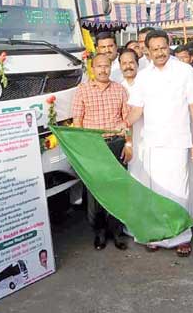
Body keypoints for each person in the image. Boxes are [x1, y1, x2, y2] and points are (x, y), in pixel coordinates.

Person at [127, 29, 193, 257]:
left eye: (163, 47)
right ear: (147, 52)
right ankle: (158, 234)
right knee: (156, 192)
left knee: (178, 191)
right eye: (155, 49)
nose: (160, 53)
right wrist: (122, 124)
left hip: (178, 142)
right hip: (152, 143)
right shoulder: (144, 75)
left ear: (169, 46)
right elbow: (137, 110)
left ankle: (181, 237)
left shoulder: (184, 71)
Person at [71, 53, 132, 251]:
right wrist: (82, 151)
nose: (103, 70)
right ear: (92, 68)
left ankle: (116, 231)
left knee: (117, 189)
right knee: (95, 192)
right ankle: (99, 232)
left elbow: (127, 120)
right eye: (99, 66)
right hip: (93, 146)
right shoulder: (82, 91)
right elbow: (77, 123)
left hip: (116, 144)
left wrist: (128, 143)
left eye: (107, 66)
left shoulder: (120, 90)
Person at [119, 48, 146, 186]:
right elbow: (123, 120)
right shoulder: (118, 89)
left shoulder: (147, 84)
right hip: (130, 141)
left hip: (149, 139)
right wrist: (128, 143)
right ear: (119, 66)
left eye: (131, 62)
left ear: (137, 64)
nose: (128, 66)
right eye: (124, 63)